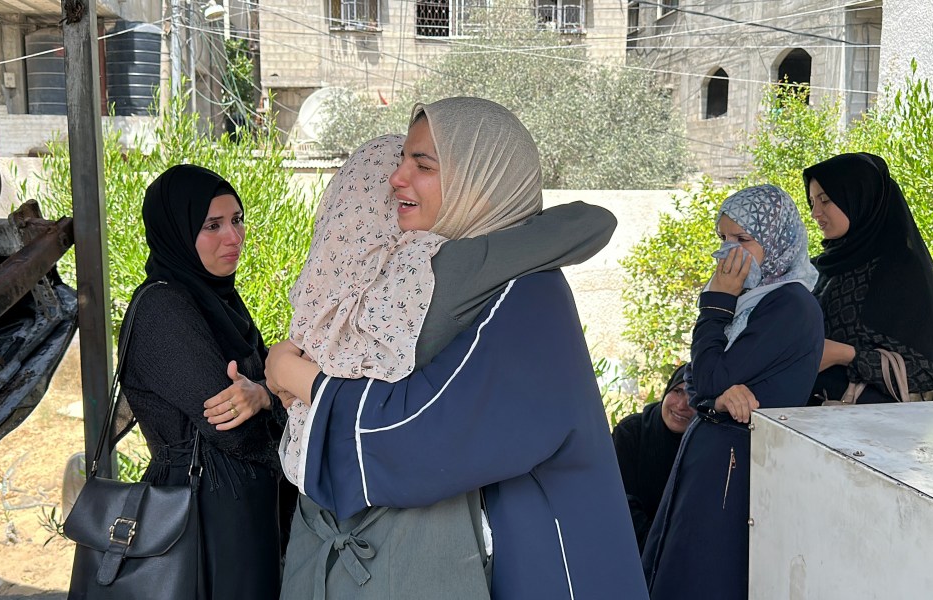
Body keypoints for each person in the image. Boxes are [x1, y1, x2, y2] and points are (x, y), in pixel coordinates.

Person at [267, 97, 648, 599]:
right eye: (402, 160)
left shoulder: (528, 297)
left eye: (422, 165)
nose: (397, 178)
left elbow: (420, 434)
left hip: (547, 562)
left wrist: (298, 377)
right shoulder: (429, 279)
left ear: (480, 183)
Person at [641, 184, 824, 600]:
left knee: (708, 579)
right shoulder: (751, 301)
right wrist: (714, 397)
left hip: (736, 471)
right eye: (723, 239)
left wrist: (715, 305)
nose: (727, 253)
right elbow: (696, 379)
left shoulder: (789, 305)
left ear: (777, 242)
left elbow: (706, 377)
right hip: (712, 462)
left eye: (742, 240)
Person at [118, 164, 288, 599]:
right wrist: (279, 399)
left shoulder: (217, 301)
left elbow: (269, 391)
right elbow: (234, 428)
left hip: (239, 509)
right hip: (203, 518)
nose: (234, 237)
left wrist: (267, 396)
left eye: (237, 219)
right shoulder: (163, 310)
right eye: (212, 225)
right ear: (175, 230)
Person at [804, 152, 933, 404]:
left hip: (872, 433)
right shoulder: (820, 268)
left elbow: (928, 376)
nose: (815, 213)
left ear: (859, 197)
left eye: (826, 200)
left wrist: (847, 355)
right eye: (811, 202)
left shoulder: (901, 270)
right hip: (804, 422)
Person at [612, 363, 695, 550]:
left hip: (676, 553)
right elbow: (619, 500)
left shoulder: (703, 446)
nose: (682, 405)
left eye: (694, 396)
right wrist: (655, 550)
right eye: (678, 391)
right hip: (624, 545)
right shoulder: (632, 432)